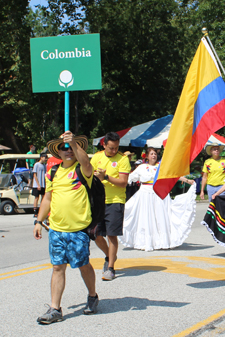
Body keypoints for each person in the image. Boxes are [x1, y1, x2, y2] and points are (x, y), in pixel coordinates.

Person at [33, 132, 98, 324]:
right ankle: (55, 309)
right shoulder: (53, 172)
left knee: (83, 265)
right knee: (58, 267)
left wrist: (74, 144)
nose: (68, 151)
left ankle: (92, 296)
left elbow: (87, 163)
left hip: (77, 230)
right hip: (57, 230)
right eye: (64, 148)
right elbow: (47, 198)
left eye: (71, 147)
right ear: (58, 152)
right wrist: (38, 221)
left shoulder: (82, 169)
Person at [119, 148, 196, 251]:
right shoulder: (142, 167)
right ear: (147, 156)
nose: (153, 156)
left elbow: (173, 175)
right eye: (151, 154)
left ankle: (162, 241)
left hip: (159, 193)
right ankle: (146, 242)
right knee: (146, 218)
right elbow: (129, 178)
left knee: (160, 217)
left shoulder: (161, 167)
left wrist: (187, 180)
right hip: (145, 194)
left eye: (155, 154)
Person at [90, 132, 131, 281]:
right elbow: (89, 175)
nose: (114, 151)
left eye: (116, 148)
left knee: (112, 234)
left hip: (115, 200)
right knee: (95, 234)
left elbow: (123, 182)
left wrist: (106, 177)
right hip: (99, 201)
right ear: (104, 145)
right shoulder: (96, 157)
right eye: (111, 148)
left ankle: (111, 268)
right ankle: (109, 255)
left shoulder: (123, 159)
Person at [32, 153, 48, 217]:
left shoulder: (44, 165)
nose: (45, 159)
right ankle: (35, 211)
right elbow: (34, 175)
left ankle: (41, 210)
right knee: (36, 197)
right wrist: (38, 184)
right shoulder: (36, 164)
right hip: (37, 184)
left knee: (43, 197)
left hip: (43, 184)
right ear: (41, 157)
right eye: (44, 157)